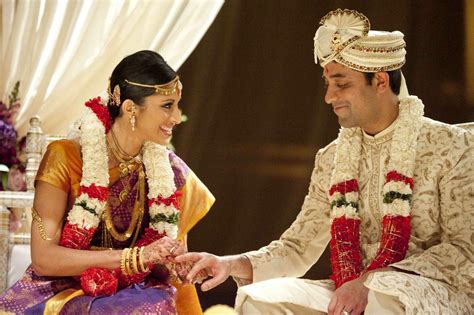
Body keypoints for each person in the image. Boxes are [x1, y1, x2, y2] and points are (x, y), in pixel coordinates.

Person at [176, 9, 473, 314]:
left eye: (341, 84)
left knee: (383, 299)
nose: (329, 97)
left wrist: (375, 281)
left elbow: (465, 250)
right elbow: (298, 247)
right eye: (327, 83)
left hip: (433, 294)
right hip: (351, 290)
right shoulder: (333, 158)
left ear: (381, 80)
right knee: (262, 299)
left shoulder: (452, 147)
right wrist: (231, 263)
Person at [0, 50, 215, 314]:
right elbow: (44, 259)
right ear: (130, 108)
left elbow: (163, 260)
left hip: (137, 292)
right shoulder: (66, 158)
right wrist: (135, 257)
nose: (175, 117)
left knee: (151, 306)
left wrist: (174, 263)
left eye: (176, 105)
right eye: (167, 105)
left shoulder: (171, 172)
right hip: (63, 289)